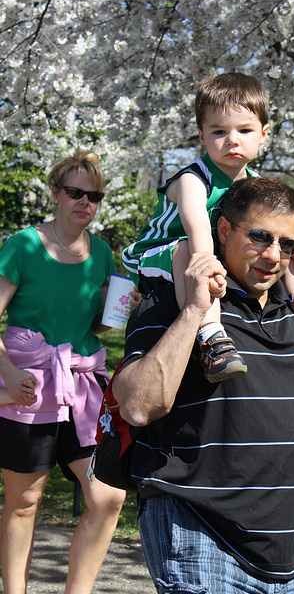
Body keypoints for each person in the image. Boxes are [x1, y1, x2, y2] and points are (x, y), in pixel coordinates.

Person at [113, 177, 294, 594]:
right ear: (223, 231)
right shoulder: (173, 299)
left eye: (288, 244)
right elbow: (137, 406)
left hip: (286, 551)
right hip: (199, 533)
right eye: (260, 237)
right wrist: (194, 312)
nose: (274, 255)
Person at [123, 72, 294, 382]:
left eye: (244, 130)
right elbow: (195, 228)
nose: (232, 140)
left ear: (263, 134)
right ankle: (211, 338)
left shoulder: (253, 184)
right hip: (160, 255)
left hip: (209, 252)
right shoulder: (193, 179)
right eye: (219, 131)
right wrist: (208, 265)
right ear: (202, 135)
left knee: (282, 249)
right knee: (187, 250)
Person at [0, 152, 128, 594]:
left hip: (81, 387)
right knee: (24, 502)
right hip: (29, 386)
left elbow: (92, 325)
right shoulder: (24, 245)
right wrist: (10, 375)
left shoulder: (103, 252)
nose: (84, 203)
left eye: (94, 196)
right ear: (55, 192)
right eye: (75, 192)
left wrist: (111, 317)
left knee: (106, 496)